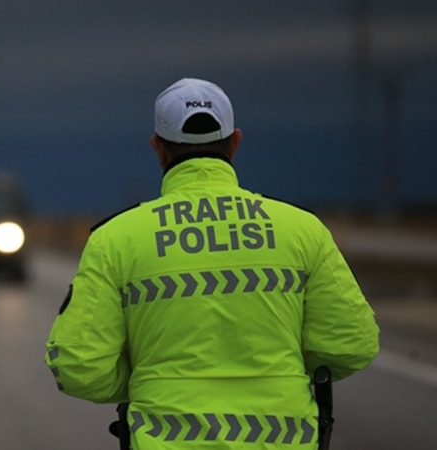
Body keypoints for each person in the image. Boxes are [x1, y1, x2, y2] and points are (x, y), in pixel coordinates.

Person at [43, 77, 379, 449]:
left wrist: (149, 378)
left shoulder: (115, 239)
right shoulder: (301, 230)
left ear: (158, 149)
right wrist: (276, 369)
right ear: (235, 142)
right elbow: (352, 345)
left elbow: (78, 367)